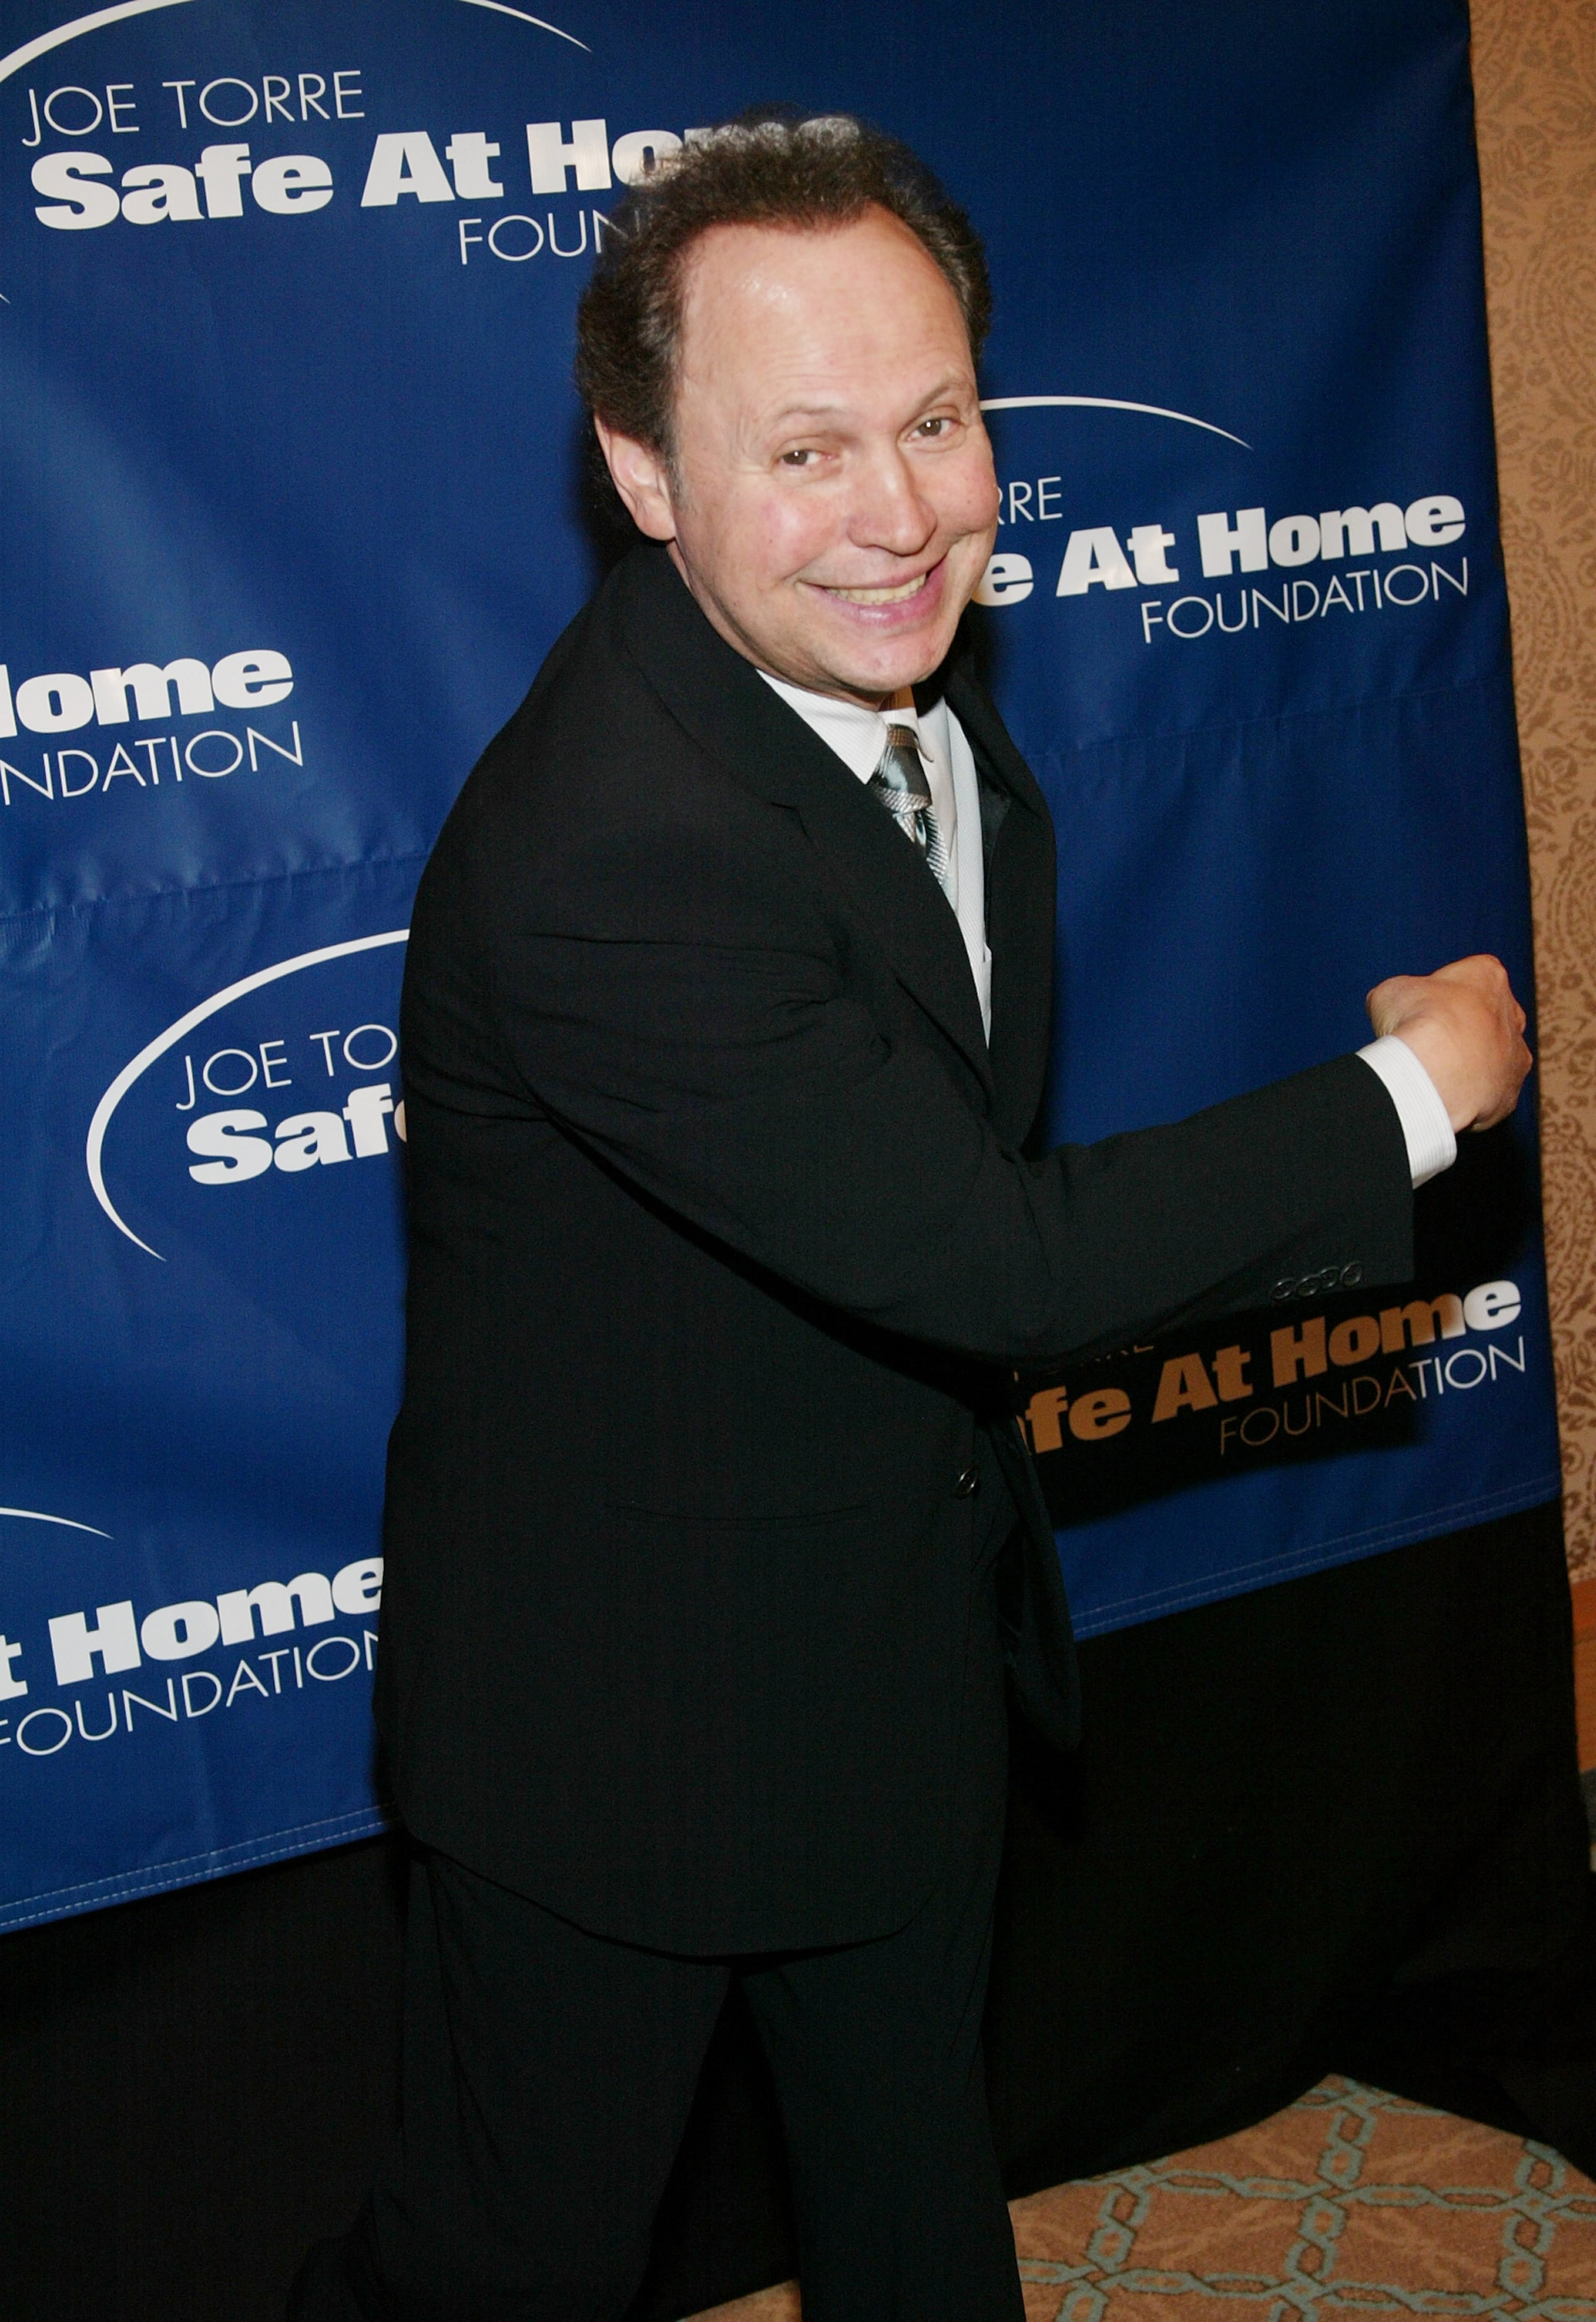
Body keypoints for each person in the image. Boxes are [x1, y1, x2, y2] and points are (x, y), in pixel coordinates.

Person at [291, 111, 1530, 2322]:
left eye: (941, 421)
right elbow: (999, 1258)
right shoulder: (614, 848)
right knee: (502, 2272)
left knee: (914, 2219)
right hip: (619, 1734)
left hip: (890, 1654)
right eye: (807, 451)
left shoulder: (908, 677)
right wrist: (1415, 1095)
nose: (903, 513)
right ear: (645, 474)